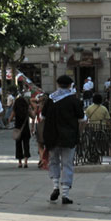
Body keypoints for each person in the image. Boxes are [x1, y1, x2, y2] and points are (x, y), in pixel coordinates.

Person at [42, 74, 85, 205]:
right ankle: (65, 193)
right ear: (70, 85)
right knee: (67, 164)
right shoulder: (74, 100)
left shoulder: (50, 99)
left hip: (52, 136)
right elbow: (82, 119)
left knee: (54, 162)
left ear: (58, 84)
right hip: (69, 137)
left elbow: (42, 116)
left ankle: (55, 187)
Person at [9, 91, 33, 168]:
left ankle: (20, 162)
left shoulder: (15, 110)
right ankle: (26, 162)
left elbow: (10, 119)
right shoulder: (27, 110)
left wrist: (13, 119)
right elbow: (33, 116)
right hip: (25, 129)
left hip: (17, 129)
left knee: (18, 145)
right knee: (26, 145)